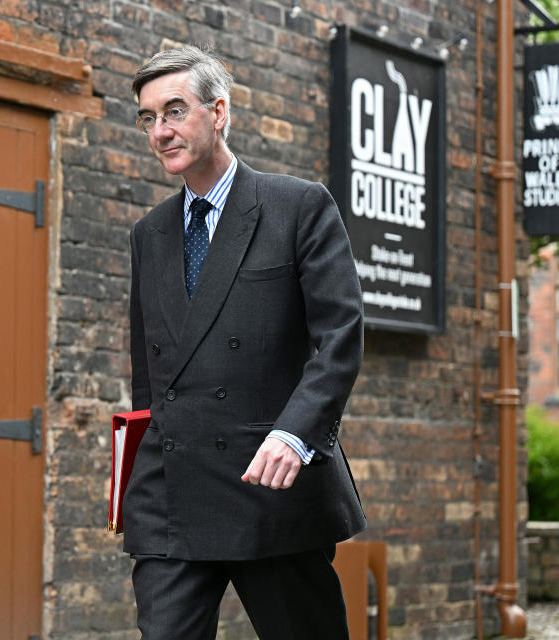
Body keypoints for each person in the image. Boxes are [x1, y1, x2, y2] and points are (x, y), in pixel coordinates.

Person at [124, 45, 366, 639]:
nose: (161, 131)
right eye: (149, 118)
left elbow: (340, 334)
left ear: (219, 111)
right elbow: (148, 370)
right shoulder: (149, 233)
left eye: (175, 111)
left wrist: (296, 433)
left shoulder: (296, 206)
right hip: (172, 496)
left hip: (270, 487)